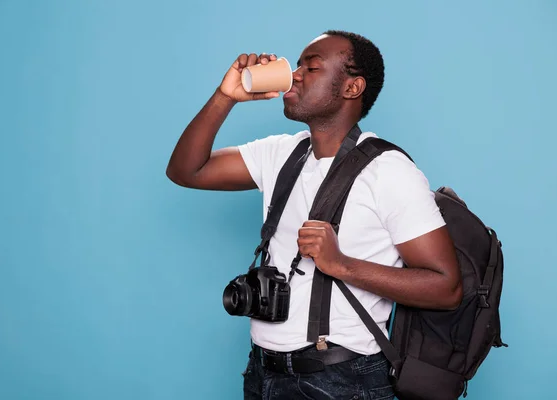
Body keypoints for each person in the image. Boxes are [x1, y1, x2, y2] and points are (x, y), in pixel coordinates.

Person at [167, 30, 463, 400]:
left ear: (352, 88)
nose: (294, 74)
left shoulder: (389, 171)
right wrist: (225, 97)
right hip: (263, 371)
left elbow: (446, 287)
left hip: (343, 379)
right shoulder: (281, 153)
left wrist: (341, 264)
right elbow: (186, 171)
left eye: (312, 67)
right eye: (298, 64)